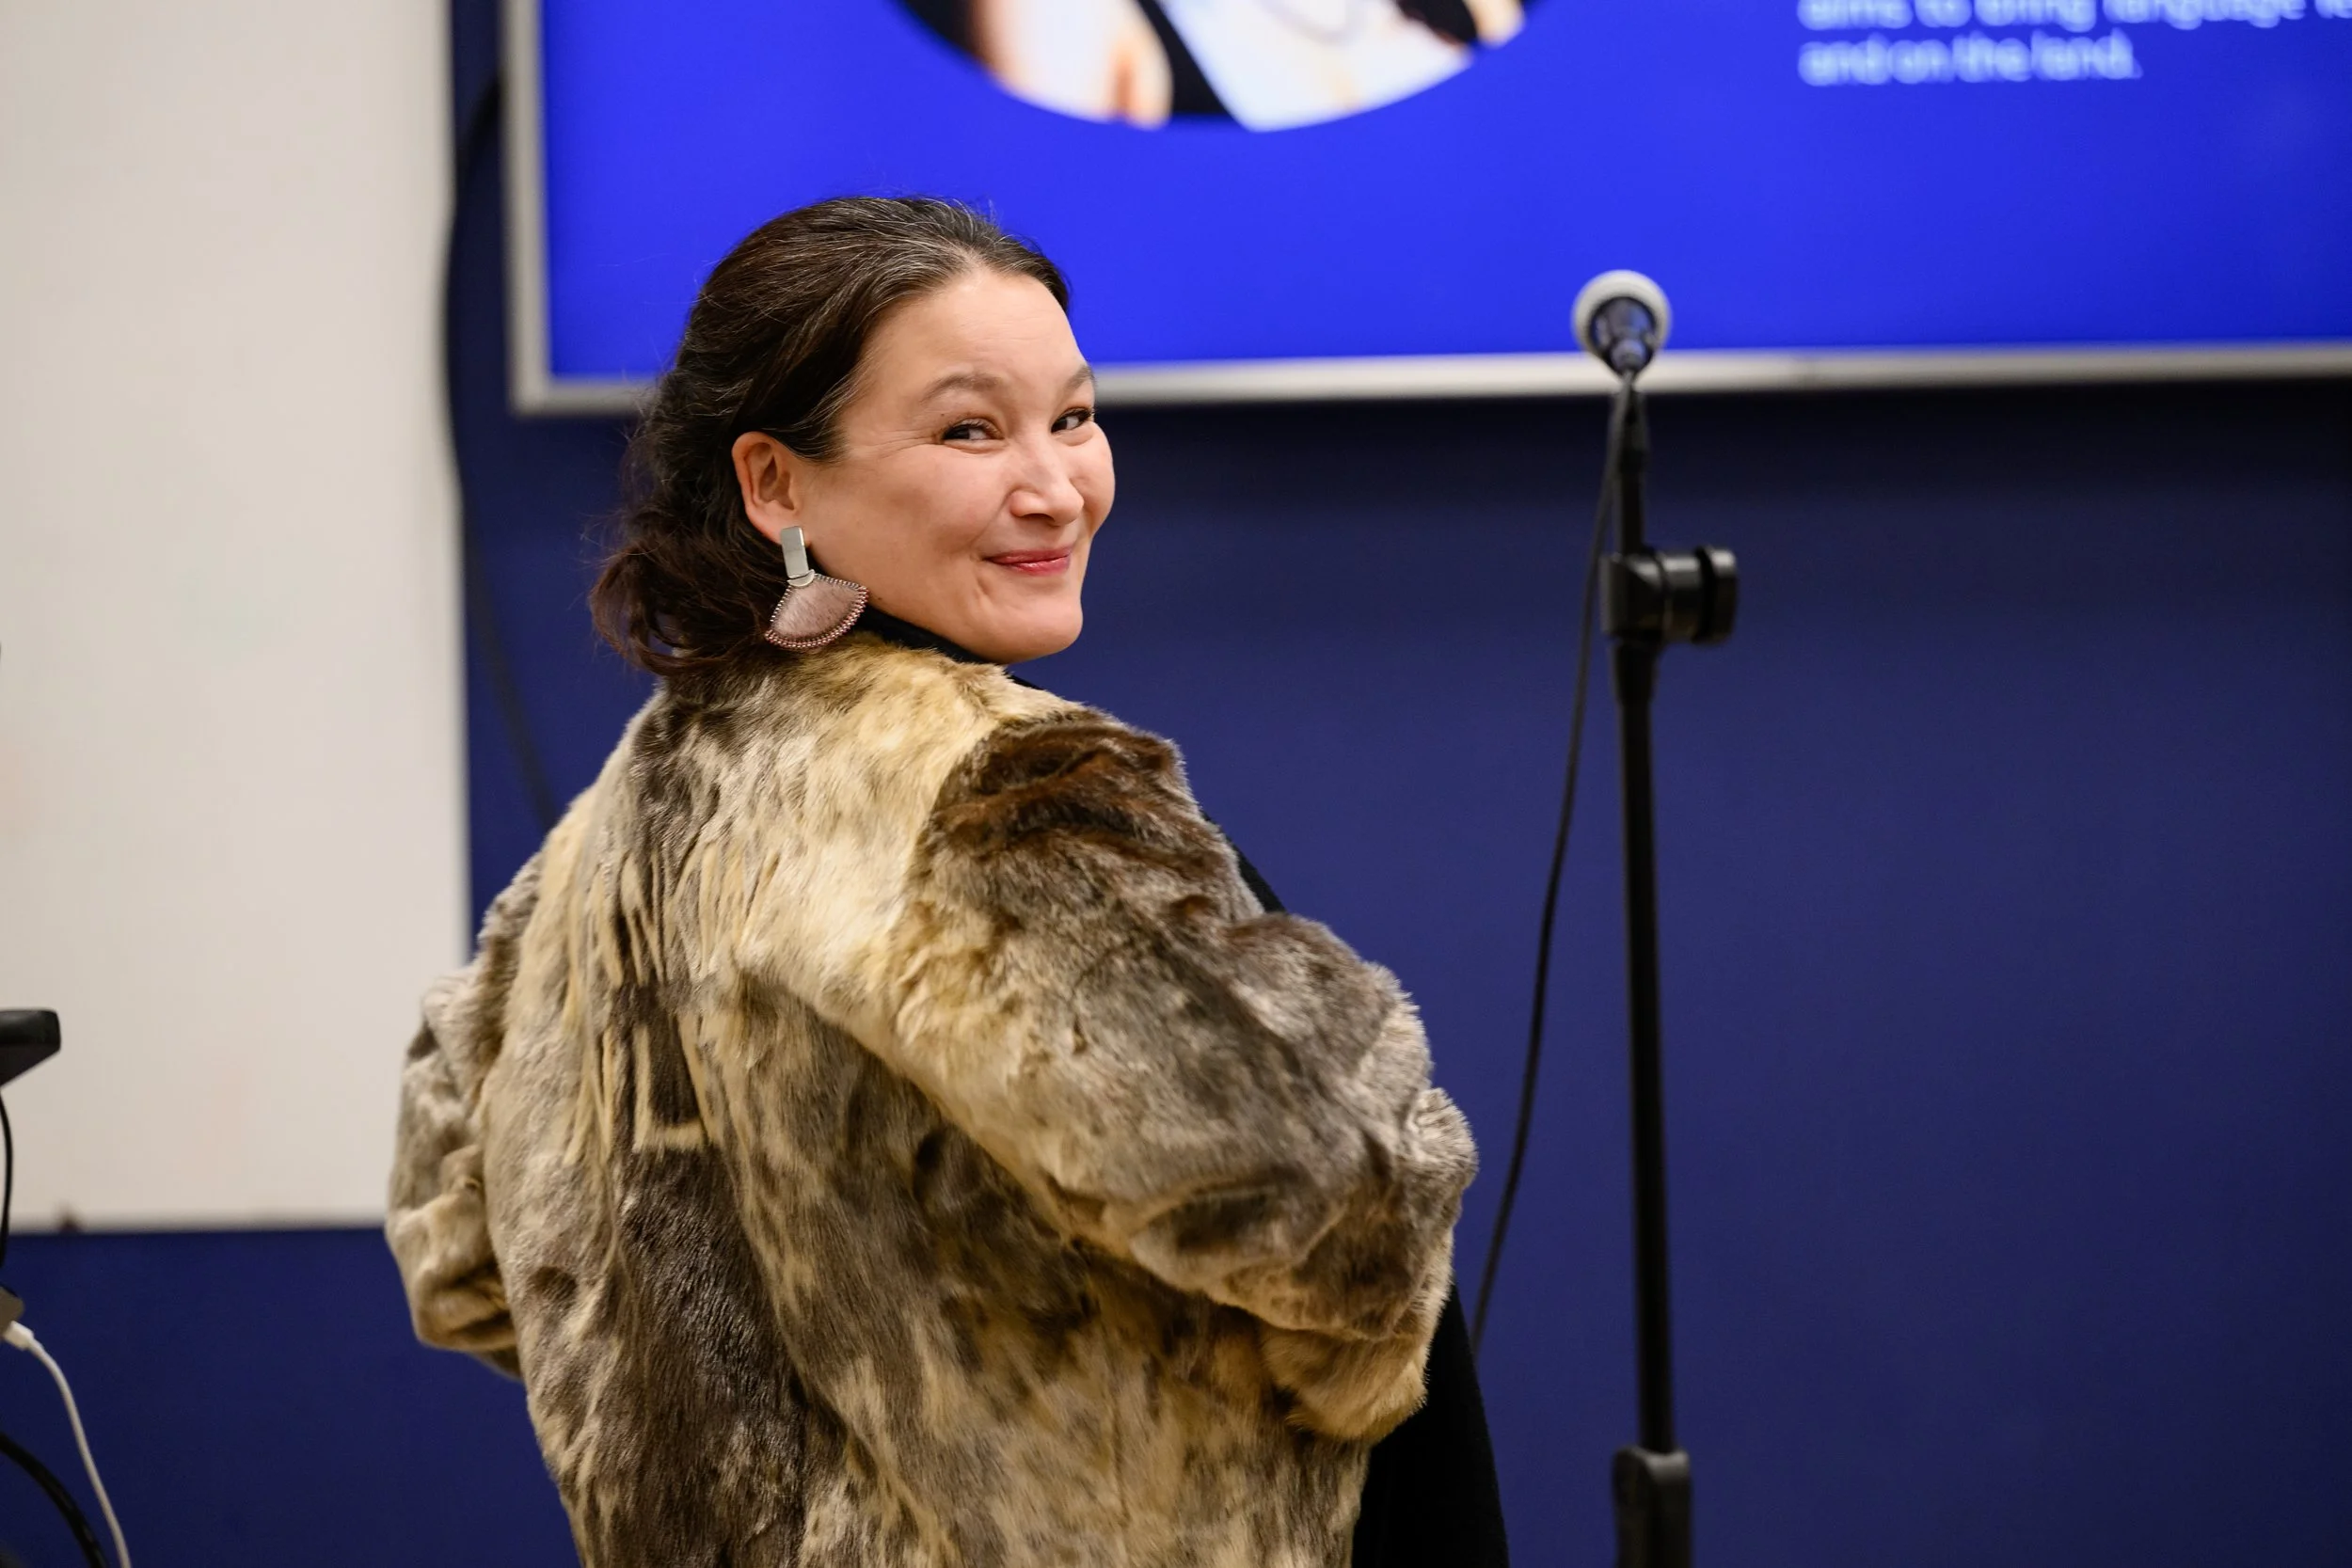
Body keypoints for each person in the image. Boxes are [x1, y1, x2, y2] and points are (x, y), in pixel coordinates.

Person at [387, 196, 1506, 1567]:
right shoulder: (1002, 798)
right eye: (970, 430)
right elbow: (1347, 1229)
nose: (1054, 487)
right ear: (775, 482)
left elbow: (458, 1239)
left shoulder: (637, 804)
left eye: (1075, 417)